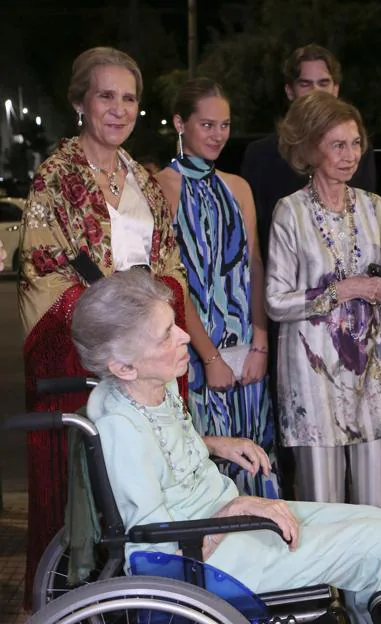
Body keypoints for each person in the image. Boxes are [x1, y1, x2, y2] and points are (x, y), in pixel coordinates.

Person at [70, 269, 381, 624]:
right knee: (373, 542)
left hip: (220, 522)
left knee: (374, 518)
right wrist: (232, 512)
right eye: (166, 336)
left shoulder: (153, 385)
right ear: (123, 368)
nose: (185, 336)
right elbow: (152, 544)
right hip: (203, 561)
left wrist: (215, 444)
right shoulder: (121, 429)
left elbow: (163, 448)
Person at [17, 46, 186, 606]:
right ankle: (77, 599)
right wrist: (111, 315)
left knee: (147, 484)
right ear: (80, 103)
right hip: (87, 352)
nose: (119, 109)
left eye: (129, 97)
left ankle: (152, 591)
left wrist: (155, 316)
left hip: (144, 355)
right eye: (106, 95)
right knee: (90, 486)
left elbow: (170, 266)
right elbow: (42, 272)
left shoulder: (142, 177)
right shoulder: (56, 179)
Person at [265, 91, 381, 527]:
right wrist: (345, 289)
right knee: (323, 509)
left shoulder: (373, 207)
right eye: (337, 144)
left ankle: (380, 594)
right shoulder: (291, 213)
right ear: (309, 148)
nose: (350, 155)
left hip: (369, 375)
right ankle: (327, 596)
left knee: (380, 505)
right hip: (311, 375)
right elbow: (276, 301)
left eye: (356, 143)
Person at [157, 78, 279, 498]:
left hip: (247, 354)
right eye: (207, 124)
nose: (218, 135)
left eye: (224, 125)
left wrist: (261, 342)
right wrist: (209, 358)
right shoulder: (161, 188)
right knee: (208, 465)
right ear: (180, 123)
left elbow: (256, 266)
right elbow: (175, 283)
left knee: (257, 457)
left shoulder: (239, 187)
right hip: (195, 354)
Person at [241, 43, 377, 265]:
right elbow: (253, 240)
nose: (315, 92)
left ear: (336, 89)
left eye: (323, 83)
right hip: (282, 284)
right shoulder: (260, 154)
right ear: (290, 91)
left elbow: (364, 222)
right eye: (306, 84)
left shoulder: (359, 149)